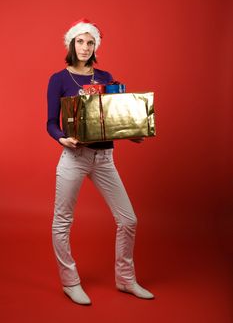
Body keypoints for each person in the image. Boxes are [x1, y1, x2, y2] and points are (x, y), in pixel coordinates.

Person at [47, 18, 154, 305]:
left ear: (96, 46)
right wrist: (61, 138)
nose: (84, 46)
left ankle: (126, 279)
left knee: (128, 219)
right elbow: (50, 123)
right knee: (62, 221)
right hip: (74, 156)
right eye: (80, 41)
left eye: (90, 42)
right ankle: (70, 282)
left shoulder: (105, 76)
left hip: (105, 158)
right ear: (72, 44)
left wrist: (131, 132)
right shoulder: (59, 79)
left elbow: (111, 118)